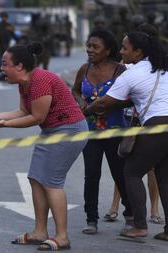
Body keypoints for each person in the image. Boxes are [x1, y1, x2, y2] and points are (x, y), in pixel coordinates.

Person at [0, 42, 88, 250]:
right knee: (36, 178)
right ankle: (39, 232)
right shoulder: (24, 82)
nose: (1, 68)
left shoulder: (41, 81)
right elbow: (23, 111)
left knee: (52, 182)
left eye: (5, 64)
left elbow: (36, 117)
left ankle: (62, 237)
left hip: (69, 131)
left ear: (19, 66)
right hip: (52, 131)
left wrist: (4, 124)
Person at [86, 30, 168, 241]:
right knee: (164, 177)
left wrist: (85, 111)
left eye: (125, 48)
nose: (121, 51)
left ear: (138, 52)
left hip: (157, 125)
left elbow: (104, 102)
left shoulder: (131, 73)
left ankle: (139, 226)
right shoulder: (161, 65)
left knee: (130, 172)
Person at [72, 29, 132, 234]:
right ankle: (91, 219)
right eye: (89, 46)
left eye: (95, 47)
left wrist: (110, 105)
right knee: (91, 175)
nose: (89, 50)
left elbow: (131, 98)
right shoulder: (84, 69)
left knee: (120, 175)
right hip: (89, 132)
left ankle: (130, 215)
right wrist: (80, 102)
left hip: (114, 131)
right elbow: (75, 90)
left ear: (107, 50)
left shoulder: (120, 71)